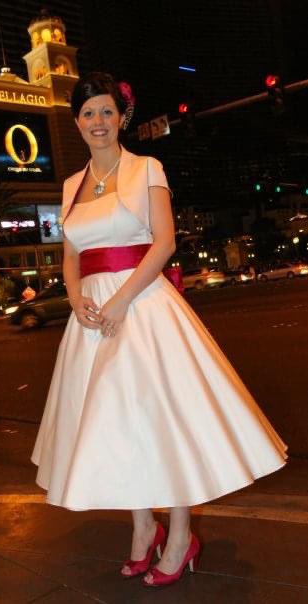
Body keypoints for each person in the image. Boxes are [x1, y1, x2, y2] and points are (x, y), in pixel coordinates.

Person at [31, 72, 287, 588]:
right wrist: (76, 296)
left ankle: (180, 535)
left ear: (120, 117)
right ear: (76, 122)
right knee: (116, 428)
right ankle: (143, 528)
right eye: (87, 114)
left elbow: (164, 243)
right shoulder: (70, 186)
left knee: (163, 424)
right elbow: (72, 255)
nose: (97, 122)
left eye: (105, 111)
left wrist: (122, 302)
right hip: (92, 316)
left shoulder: (147, 166)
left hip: (142, 306)